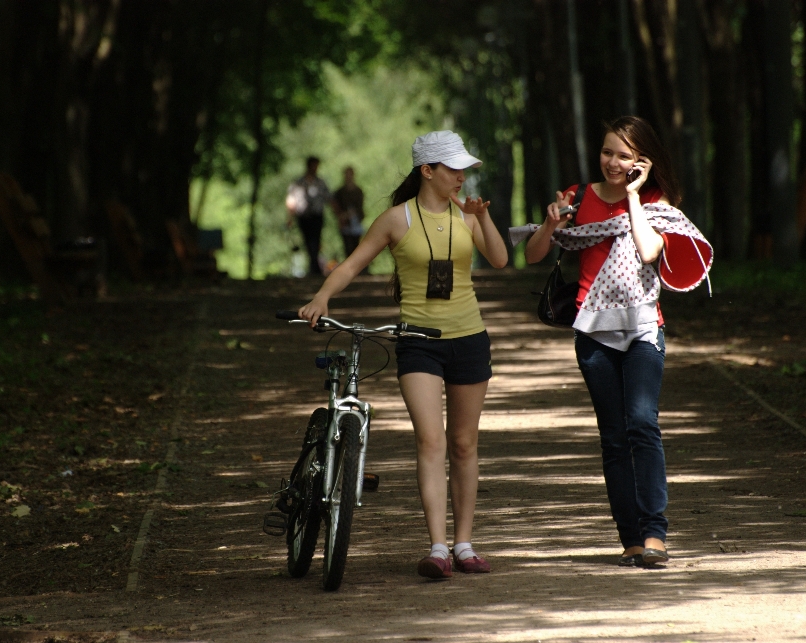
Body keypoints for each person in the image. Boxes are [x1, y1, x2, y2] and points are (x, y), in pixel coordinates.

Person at [299, 130, 509, 579]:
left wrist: (482, 218)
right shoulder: (396, 219)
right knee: (431, 440)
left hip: (469, 337)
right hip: (418, 342)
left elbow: (499, 260)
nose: (461, 177)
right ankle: (437, 547)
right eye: (453, 169)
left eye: (464, 169)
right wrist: (322, 298)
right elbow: (353, 263)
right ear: (427, 171)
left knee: (464, 443)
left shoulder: (467, 213)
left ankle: (464, 544)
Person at [523, 116, 712, 568]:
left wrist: (631, 196)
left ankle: (655, 535)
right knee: (612, 438)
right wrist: (550, 224)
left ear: (641, 160)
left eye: (623, 155)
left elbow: (649, 251)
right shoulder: (578, 196)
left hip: (645, 326)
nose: (613, 162)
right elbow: (532, 255)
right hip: (593, 331)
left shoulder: (653, 199)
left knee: (642, 423)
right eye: (608, 152)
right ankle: (630, 539)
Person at [286, 156, 332, 275]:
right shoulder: (298, 183)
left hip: (317, 216)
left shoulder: (320, 183)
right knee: (308, 241)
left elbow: (329, 199)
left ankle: (314, 266)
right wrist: (290, 217)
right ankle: (313, 265)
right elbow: (291, 201)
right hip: (304, 217)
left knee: (316, 240)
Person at [333, 166, 366, 259]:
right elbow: (336, 207)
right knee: (347, 246)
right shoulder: (340, 192)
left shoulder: (358, 191)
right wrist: (341, 216)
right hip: (345, 223)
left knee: (357, 246)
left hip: (356, 222)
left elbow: (360, 207)